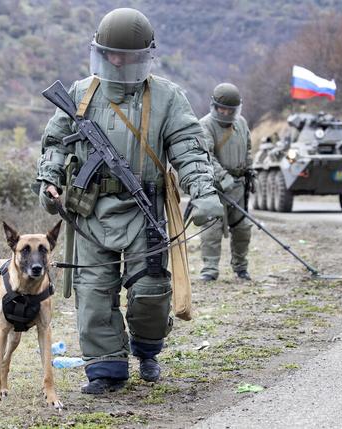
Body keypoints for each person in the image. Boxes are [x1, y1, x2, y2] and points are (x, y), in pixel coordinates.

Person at [36, 8, 222, 394]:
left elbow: (189, 149)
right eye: (111, 54)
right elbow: (55, 142)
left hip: (146, 208)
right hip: (88, 210)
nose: (118, 62)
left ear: (145, 58)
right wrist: (50, 181)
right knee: (94, 291)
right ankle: (105, 371)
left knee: (151, 291)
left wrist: (203, 194)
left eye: (127, 57)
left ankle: (147, 350)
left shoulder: (169, 98)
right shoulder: (78, 94)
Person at [198, 83, 254, 281]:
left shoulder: (241, 124)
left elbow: (247, 148)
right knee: (212, 229)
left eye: (231, 110)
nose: (226, 113)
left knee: (243, 228)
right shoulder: (205, 125)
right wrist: (221, 177)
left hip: (238, 186)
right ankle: (210, 269)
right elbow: (206, 155)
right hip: (215, 188)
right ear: (215, 106)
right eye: (223, 108)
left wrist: (249, 169)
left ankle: (241, 267)